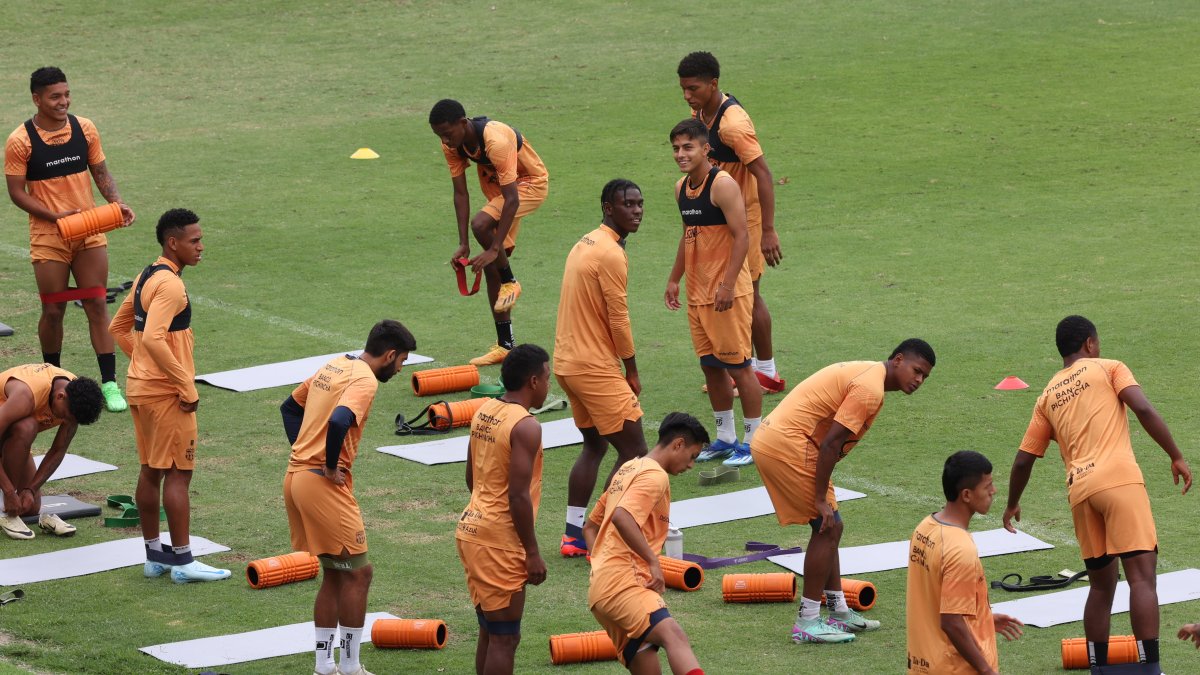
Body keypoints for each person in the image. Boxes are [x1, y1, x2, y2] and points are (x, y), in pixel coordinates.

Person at [1004, 315, 1191, 672]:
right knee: (1141, 577)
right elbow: (1143, 409)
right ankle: (1150, 669)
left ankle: (1099, 669)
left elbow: (1023, 461)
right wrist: (1176, 455)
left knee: (1101, 587)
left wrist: (1012, 503)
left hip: (1080, 491)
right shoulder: (1109, 368)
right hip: (1119, 482)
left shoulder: (1047, 396)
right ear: (1090, 343)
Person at [749, 339, 935, 643]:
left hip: (786, 440)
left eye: (924, 377)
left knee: (832, 526)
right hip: (789, 445)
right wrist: (820, 499)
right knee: (826, 528)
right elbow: (831, 443)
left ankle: (838, 611)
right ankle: (807, 622)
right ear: (898, 359)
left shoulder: (870, 375)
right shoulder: (870, 389)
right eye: (917, 370)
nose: (918, 380)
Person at [281, 319, 416, 675]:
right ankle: (351, 666)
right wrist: (326, 465)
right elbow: (341, 420)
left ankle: (325, 667)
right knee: (359, 574)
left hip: (296, 477)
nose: (401, 368)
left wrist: (304, 451)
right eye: (401, 360)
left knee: (336, 574)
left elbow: (290, 407)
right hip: (320, 484)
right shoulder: (365, 379)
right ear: (389, 355)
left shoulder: (335, 364)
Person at [5, 66, 136, 413]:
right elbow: (16, 193)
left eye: (66, 95)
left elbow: (101, 173)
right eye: (55, 97)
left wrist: (116, 202)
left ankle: (109, 384)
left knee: (96, 304)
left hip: (89, 233)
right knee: (53, 310)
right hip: (50, 237)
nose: (63, 102)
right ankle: (52, 379)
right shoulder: (20, 140)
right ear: (37, 99)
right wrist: (55, 217)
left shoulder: (85, 128)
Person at [110, 208, 226, 584]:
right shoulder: (172, 285)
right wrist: (184, 384)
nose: (200, 247)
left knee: (151, 471)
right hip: (165, 396)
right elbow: (156, 337)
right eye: (194, 240)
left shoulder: (147, 274)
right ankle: (184, 561)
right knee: (178, 474)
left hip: (140, 389)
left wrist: (143, 361)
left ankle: (154, 556)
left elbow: (119, 326)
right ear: (172, 243)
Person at [677, 51, 784, 395]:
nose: (687, 96)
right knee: (733, 293)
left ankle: (764, 373)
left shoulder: (733, 125)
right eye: (683, 89)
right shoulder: (700, 113)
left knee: (749, 293)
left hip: (746, 218)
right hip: (717, 216)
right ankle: (740, 367)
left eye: (693, 89)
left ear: (714, 84)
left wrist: (767, 230)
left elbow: (763, 175)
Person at [556, 179, 648, 558]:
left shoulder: (587, 241)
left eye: (640, 203)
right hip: (593, 366)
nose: (637, 210)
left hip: (567, 361)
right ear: (608, 207)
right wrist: (632, 369)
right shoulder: (610, 253)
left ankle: (573, 535)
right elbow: (618, 318)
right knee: (635, 450)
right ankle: (600, 530)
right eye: (628, 204)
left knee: (593, 446)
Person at [664, 118, 762, 467]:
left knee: (739, 367)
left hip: (727, 293)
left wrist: (726, 284)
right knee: (710, 367)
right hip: (698, 293)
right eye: (676, 148)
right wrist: (675, 277)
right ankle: (725, 437)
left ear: (706, 149)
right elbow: (690, 233)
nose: (681, 154)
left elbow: (742, 237)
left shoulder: (723, 185)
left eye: (688, 147)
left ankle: (753, 441)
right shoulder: (680, 188)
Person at [583, 412, 709, 675]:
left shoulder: (629, 468)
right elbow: (621, 516)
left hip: (600, 591)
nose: (691, 465)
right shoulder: (655, 476)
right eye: (693, 456)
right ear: (678, 444)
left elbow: (590, 526)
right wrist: (653, 562)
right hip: (625, 584)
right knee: (674, 636)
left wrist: (600, 565)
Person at [429, 99, 550, 367]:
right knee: (492, 267)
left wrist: (494, 247)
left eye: (448, 134)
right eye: (440, 136)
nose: (446, 142)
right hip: (499, 189)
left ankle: (511, 280)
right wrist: (463, 244)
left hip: (528, 184)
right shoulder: (451, 143)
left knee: (481, 225)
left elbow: (513, 200)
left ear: (463, 123)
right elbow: (460, 193)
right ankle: (506, 345)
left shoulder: (496, 141)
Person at [456, 344, 551, 675]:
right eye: (547, 376)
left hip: (472, 528)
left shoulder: (483, 411)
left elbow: (472, 478)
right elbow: (518, 497)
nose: (549, 384)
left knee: (491, 630)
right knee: (505, 639)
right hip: (499, 540)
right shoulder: (526, 426)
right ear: (534, 381)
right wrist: (533, 552)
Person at [907, 451, 1024, 674]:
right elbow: (951, 622)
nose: (994, 491)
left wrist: (983, 619)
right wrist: (986, 670)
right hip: (955, 668)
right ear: (967, 495)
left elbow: (936, 597)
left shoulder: (924, 528)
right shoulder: (961, 549)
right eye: (987, 486)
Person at [0, 363, 103, 539]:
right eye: (65, 417)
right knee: (27, 427)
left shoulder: (75, 395)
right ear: (60, 396)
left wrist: (30, 490)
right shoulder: (25, 396)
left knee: (30, 507)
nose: (64, 421)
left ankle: (10, 502)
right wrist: (9, 492)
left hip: (7, 439)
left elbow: (58, 450)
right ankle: (5, 507)